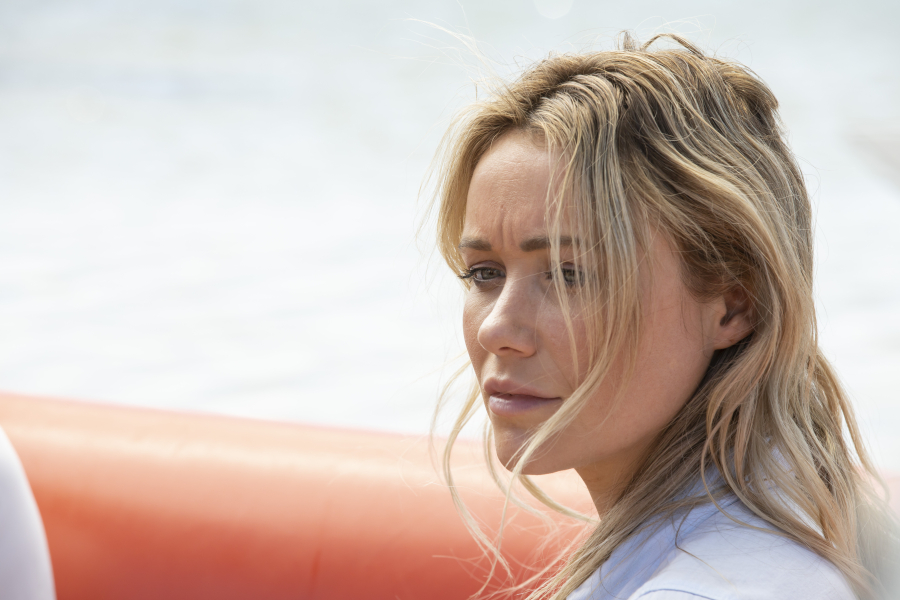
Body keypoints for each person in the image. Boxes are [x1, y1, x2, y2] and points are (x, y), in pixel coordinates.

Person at [429, 33, 898, 600]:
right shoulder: (809, 521)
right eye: (484, 273)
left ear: (735, 304)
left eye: (570, 274)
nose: (496, 330)